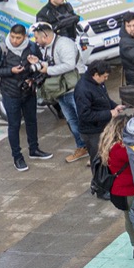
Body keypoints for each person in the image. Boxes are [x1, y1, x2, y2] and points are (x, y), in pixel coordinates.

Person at [0, 24, 50, 172]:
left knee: (32, 121)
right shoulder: (0, 49)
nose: (14, 40)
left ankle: (34, 149)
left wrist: (33, 78)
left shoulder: (32, 47)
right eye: (13, 37)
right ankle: (17, 157)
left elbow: (40, 67)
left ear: (25, 37)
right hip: (10, 93)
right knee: (14, 125)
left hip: (28, 91)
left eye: (18, 38)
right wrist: (11, 71)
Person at [32, 23, 87, 163]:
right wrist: (39, 63)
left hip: (75, 88)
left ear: (45, 35)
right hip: (60, 90)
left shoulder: (64, 44)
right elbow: (51, 63)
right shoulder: (46, 48)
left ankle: (97, 151)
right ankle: (82, 147)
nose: (36, 41)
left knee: (84, 119)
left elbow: (69, 65)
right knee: (71, 120)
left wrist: (47, 70)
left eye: (37, 37)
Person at [101, 112, 134, 268]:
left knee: (128, 219)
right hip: (131, 190)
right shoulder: (125, 149)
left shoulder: (107, 146)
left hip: (117, 191)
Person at [74, 61, 127, 197]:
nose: (106, 79)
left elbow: (105, 99)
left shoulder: (98, 83)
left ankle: (105, 184)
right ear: (95, 75)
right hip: (91, 131)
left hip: (102, 127)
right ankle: (100, 189)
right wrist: (109, 113)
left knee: (106, 158)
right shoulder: (83, 89)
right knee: (98, 161)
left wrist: (115, 107)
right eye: (104, 77)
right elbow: (85, 115)